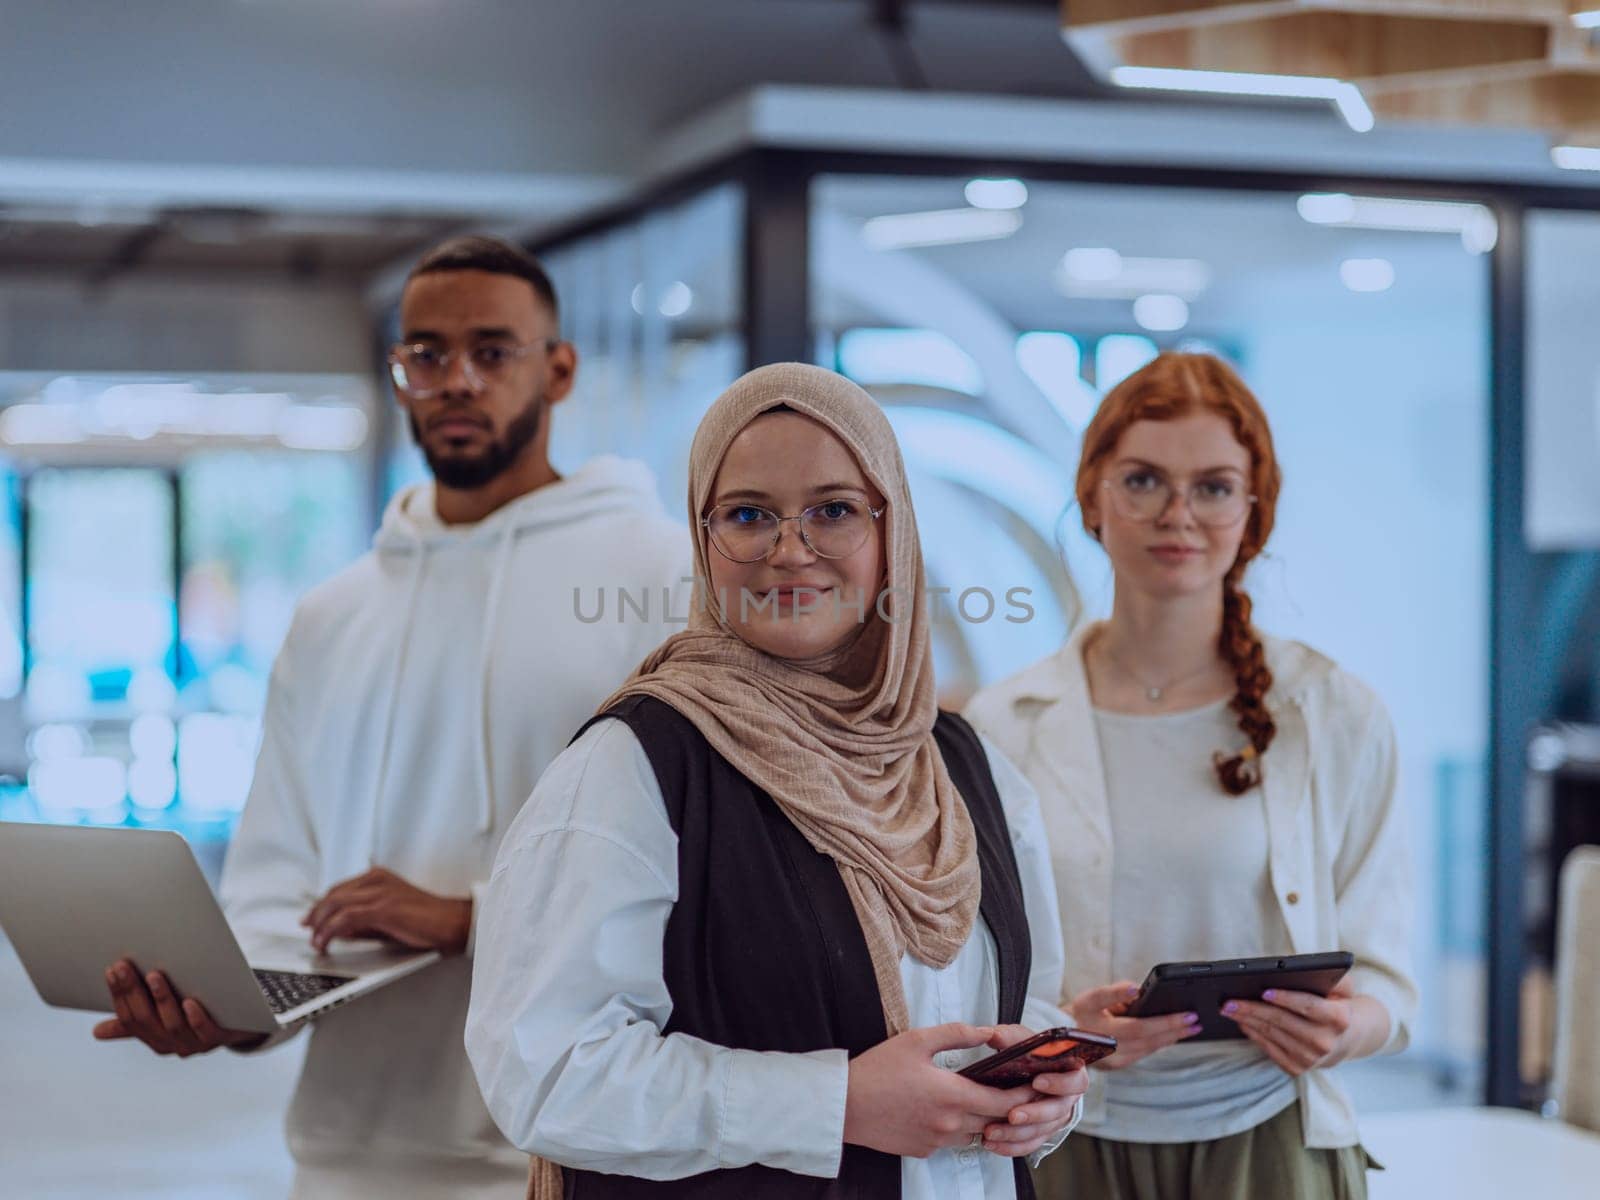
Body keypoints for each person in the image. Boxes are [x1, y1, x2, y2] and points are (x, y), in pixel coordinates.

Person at [91, 235, 691, 1198]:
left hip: (573, 1151)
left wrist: (473, 918)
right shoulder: (333, 614)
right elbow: (274, 883)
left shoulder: (665, 580)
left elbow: (710, 868)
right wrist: (231, 1007)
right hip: (345, 1155)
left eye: (492, 352)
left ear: (560, 370)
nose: (456, 380)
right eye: (426, 354)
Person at [465, 363, 1089, 1198]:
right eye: (749, 515)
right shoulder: (636, 769)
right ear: (702, 536)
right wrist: (834, 1104)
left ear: (890, 534)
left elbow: (1030, 1001)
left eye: (833, 510)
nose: (790, 550)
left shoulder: (969, 770)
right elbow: (543, 1069)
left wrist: (1048, 1100)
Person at [965, 352, 1417, 1199]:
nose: (1178, 514)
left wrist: (1345, 1028)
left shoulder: (1334, 714)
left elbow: (1388, 976)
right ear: (1094, 495)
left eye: (1213, 487)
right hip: (1068, 1144)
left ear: (1254, 512)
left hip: (1270, 1150)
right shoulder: (1000, 727)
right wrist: (1062, 1027)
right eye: (1143, 480)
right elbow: (969, 976)